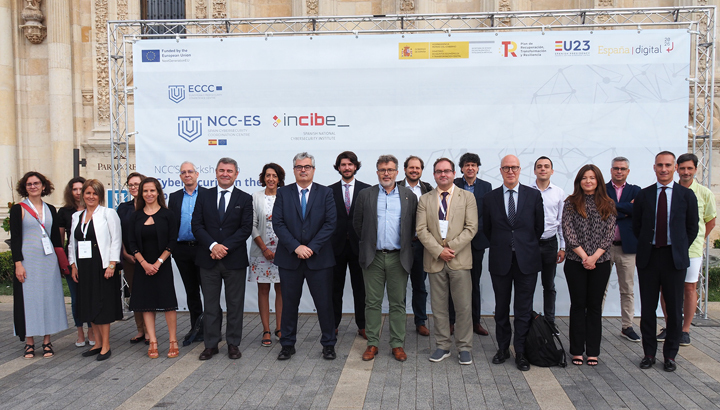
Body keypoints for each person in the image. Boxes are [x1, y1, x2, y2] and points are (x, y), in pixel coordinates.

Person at [634, 151, 698, 372]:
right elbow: (637, 227)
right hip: (649, 258)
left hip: (674, 259)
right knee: (648, 309)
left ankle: (670, 355)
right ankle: (649, 353)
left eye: (668, 165)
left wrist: (679, 248)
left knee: (674, 309)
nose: (664, 169)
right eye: (660, 165)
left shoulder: (686, 195)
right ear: (654, 167)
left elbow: (692, 228)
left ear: (675, 168)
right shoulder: (644, 195)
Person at [273, 152, 337, 361]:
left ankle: (328, 344)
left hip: (319, 259)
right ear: (294, 170)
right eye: (299, 167)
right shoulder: (283, 193)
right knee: (289, 304)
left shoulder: (325, 193)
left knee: (324, 304)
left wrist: (310, 247)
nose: (303, 170)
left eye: (307, 166)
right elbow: (278, 223)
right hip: (290, 259)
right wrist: (296, 247)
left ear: (313, 170)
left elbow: (330, 224)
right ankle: (287, 344)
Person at [354, 155, 417, 362]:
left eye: (390, 170)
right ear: (377, 172)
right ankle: (372, 343)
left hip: (398, 257)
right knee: (372, 302)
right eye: (382, 170)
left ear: (397, 172)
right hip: (373, 257)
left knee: (398, 303)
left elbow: (413, 225)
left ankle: (397, 344)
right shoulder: (365, 195)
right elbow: (358, 224)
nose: (386, 174)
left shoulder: (408, 196)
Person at [483, 155, 544, 371]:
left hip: (526, 261)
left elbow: (538, 228)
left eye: (514, 167)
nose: (510, 171)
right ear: (500, 170)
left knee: (523, 309)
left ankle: (521, 351)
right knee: (501, 308)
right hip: (501, 260)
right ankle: (502, 348)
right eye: (506, 168)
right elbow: (487, 229)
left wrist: (522, 245)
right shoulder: (490, 198)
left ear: (520, 170)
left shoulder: (533, 195)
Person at [417, 157, 478, 365]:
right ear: (434, 175)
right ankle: (442, 345)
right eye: (439, 171)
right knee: (439, 307)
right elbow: (421, 230)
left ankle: (464, 347)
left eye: (447, 171)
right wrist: (438, 251)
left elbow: (471, 228)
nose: (443, 174)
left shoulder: (467, 197)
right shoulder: (425, 199)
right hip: (435, 260)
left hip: (459, 259)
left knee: (463, 306)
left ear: (454, 173)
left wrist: (450, 248)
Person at [191, 157, 253, 361]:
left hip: (234, 260)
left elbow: (245, 228)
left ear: (236, 174)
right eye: (222, 170)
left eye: (229, 171)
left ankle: (233, 343)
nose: (225, 174)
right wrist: (213, 246)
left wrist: (223, 248)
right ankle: (211, 344)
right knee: (210, 305)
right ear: (216, 172)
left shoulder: (245, 198)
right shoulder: (204, 195)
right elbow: (197, 225)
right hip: (208, 259)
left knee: (235, 304)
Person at [657, 153, 716, 346]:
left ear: (696, 170)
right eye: (682, 168)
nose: (685, 172)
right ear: (676, 169)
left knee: (689, 288)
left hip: (692, 250)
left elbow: (710, 221)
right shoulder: (668, 191)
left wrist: (695, 241)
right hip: (668, 249)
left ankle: (685, 330)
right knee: (666, 288)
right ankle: (670, 326)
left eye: (690, 168)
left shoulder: (704, 193)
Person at [562, 165, 617, 366]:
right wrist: (585, 257)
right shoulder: (570, 203)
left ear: (598, 181)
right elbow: (568, 232)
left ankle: (593, 351)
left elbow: (609, 234)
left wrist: (594, 257)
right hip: (575, 261)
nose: (588, 181)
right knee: (578, 305)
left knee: (594, 306)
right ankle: (577, 350)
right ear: (579, 181)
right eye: (584, 178)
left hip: (600, 263)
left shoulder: (608, 203)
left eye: (592, 178)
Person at [11, 172, 68, 359]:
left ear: (44, 186)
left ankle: (46, 341)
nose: (33, 186)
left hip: (48, 261)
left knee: (48, 299)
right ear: (24, 187)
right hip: (27, 261)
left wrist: (61, 263)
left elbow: (56, 239)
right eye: (29, 184)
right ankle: (29, 342)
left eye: (36, 183)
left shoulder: (51, 209)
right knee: (29, 301)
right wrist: (18, 264)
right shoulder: (18, 209)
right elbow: (15, 239)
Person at [68, 179, 123, 361]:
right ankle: (97, 343)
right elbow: (72, 243)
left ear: (100, 196)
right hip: (84, 266)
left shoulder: (108, 213)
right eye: (88, 193)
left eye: (95, 193)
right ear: (83, 195)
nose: (91, 196)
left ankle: (106, 345)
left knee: (102, 305)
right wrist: (73, 265)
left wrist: (112, 264)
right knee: (89, 304)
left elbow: (116, 240)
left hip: (102, 266)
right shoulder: (77, 216)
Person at [128, 177, 180, 359]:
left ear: (158, 192)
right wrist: (144, 263)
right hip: (142, 267)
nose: (149, 194)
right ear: (141, 193)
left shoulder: (168, 215)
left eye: (152, 190)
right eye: (145, 191)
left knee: (168, 304)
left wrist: (158, 263)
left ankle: (173, 340)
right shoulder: (135, 216)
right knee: (146, 304)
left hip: (162, 266)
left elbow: (172, 241)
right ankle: (153, 341)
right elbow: (132, 243)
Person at [330, 151, 370, 339]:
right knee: (334, 289)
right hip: (335, 247)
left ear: (355, 166)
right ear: (338, 167)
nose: (347, 168)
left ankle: (363, 325)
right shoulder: (328, 191)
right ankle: (332, 325)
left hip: (359, 246)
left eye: (350, 164)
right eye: (343, 164)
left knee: (360, 289)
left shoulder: (367, 190)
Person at [451, 152, 492, 336]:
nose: (470, 168)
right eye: (467, 165)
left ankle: (475, 321)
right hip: (456, 242)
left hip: (477, 241)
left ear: (477, 168)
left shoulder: (486, 186)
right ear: (461, 168)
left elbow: (487, 214)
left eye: (473, 165)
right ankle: (451, 322)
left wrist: (472, 230)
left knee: (474, 283)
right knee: (453, 282)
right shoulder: (453, 184)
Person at [168, 162, 206, 345]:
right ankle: (196, 328)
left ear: (197, 174)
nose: (187, 174)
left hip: (203, 248)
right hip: (182, 250)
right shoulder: (174, 197)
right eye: (183, 172)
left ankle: (212, 329)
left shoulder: (207, 194)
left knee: (209, 291)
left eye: (190, 171)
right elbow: (171, 224)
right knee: (191, 292)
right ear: (180, 176)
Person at [604, 157, 642, 342]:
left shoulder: (636, 190)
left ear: (628, 171)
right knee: (599, 288)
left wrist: (613, 206)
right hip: (603, 248)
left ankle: (627, 326)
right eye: (616, 168)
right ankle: (594, 325)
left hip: (627, 248)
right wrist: (627, 210)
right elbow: (601, 211)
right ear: (611, 170)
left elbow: (638, 211)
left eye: (623, 168)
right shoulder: (601, 189)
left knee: (627, 289)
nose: (619, 171)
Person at [249, 163, 285, 347]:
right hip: (261, 252)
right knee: (263, 290)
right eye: (268, 175)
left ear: (279, 179)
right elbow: (252, 225)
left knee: (281, 290)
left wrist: (282, 249)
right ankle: (266, 330)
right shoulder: (256, 197)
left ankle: (279, 328)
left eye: (274, 176)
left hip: (283, 252)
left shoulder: (286, 196)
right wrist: (264, 248)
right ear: (263, 177)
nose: (271, 179)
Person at [57, 176, 95, 348]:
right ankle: (80, 331)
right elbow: (60, 240)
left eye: (82, 189)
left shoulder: (94, 210)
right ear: (70, 191)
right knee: (76, 298)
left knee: (91, 296)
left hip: (92, 260)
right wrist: (65, 263)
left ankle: (92, 330)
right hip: (72, 259)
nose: (78, 192)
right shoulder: (65, 212)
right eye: (75, 189)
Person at [397, 156, 434, 336]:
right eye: (411, 168)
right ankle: (399, 323)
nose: (414, 170)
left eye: (417, 168)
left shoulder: (428, 189)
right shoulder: (394, 187)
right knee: (399, 286)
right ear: (405, 169)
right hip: (400, 245)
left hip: (421, 245)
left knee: (419, 286)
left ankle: (420, 321)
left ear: (421, 170)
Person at [530, 156, 566, 329]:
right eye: (539, 166)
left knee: (549, 285)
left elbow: (562, 222)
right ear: (535, 170)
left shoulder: (558, 193)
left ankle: (550, 322)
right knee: (527, 284)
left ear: (552, 171)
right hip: (531, 243)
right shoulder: (527, 191)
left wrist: (563, 247)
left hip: (550, 243)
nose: (542, 169)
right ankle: (527, 319)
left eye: (546, 166)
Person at [117, 172, 148, 344]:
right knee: (135, 294)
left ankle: (150, 331)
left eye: (137, 184)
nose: (133, 187)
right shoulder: (123, 208)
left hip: (148, 258)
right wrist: (124, 253)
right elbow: (118, 233)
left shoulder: (151, 205)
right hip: (129, 258)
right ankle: (140, 330)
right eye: (130, 185)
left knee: (147, 294)